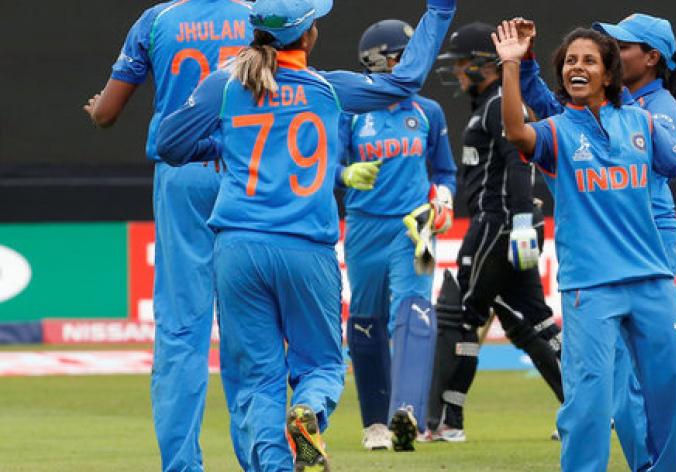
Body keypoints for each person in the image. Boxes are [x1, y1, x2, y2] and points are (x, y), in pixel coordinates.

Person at [155, 0, 455, 469]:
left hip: (237, 248)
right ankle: (310, 409)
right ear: (308, 36)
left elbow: (167, 144)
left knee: (258, 378)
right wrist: (439, 10)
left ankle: (277, 465)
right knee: (322, 366)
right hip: (304, 248)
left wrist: (228, 142)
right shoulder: (326, 88)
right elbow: (406, 81)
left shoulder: (225, 85)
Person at [493, 21, 676, 472]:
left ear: (608, 74)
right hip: (592, 287)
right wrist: (512, 64)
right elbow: (515, 130)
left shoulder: (642, 121)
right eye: (570, 61)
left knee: (674, 385)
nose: (577, 67)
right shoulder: (555, 133)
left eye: (589, 60)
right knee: (588, 401)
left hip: (651, 279)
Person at [82, 1, 251, 470]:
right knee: (250, 327)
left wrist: (97, 109)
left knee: (181, 330)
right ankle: (262, 458)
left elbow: (108, 113)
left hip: (182, 175)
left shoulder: (158, 19)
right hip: (245, 174)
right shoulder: (258, 16)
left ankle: (181, 465)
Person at [422, 21, 564, 442]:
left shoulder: (501, 104)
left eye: (462, 65)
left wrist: (521, 219)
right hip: (506, 225)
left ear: (484, 64)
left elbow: (520, 161)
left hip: (496, 226)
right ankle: (591, 407)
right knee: (532, 324)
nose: (457, 74)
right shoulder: (492, 104)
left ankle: (446, 421)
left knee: (459, 313)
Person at [342, 18, 458, 452]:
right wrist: (345, 172)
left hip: (419, 225)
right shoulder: (351, 112)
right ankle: (375, 423)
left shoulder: (428, 112)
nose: (412, 65)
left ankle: (405, 412)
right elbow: (328, 167)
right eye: (402, 57)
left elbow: (444, 171)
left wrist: (442, 200)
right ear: (378, 62)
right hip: (365, 226)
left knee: (417, 309)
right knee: (367, 320)